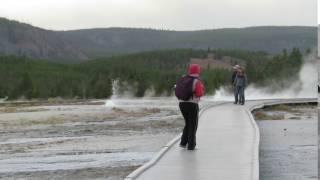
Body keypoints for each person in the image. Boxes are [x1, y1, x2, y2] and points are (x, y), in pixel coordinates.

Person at [175, 64, 205, 150]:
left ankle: (183, 143)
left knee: (187, 123)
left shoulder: (182, 78)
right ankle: (191, 145)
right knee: (193, 125)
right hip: (192, 104)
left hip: (181, 104)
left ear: (190, 70)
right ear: (197, 71)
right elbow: (199, 94)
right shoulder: (196, 81)